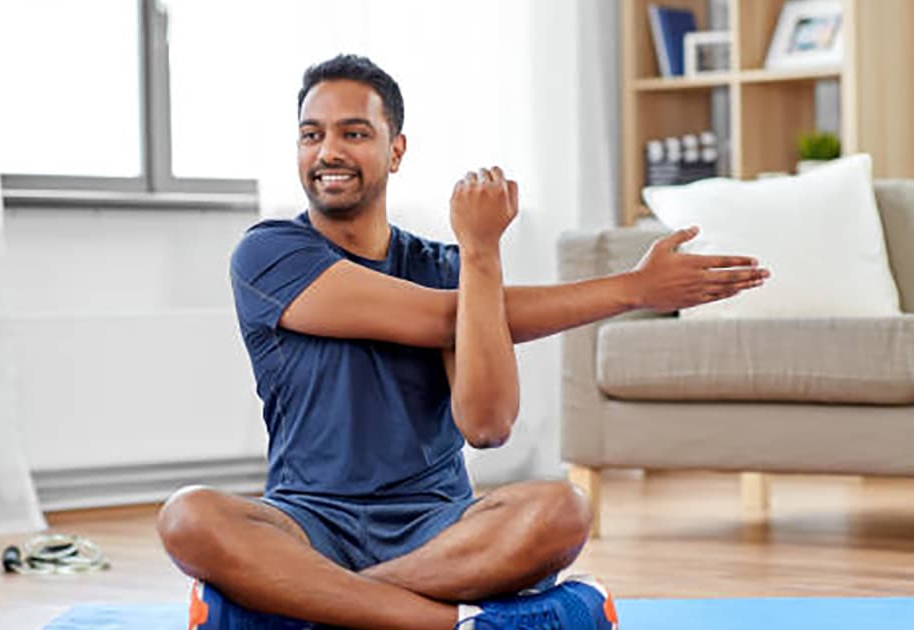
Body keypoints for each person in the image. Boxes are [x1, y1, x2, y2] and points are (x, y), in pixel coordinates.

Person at [157, 54, 768, 630]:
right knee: (189, 516)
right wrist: (630, 290)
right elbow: (439, 318)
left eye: (354, 133)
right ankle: (460, 622)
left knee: (562, 511)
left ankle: (302, 607)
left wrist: (480, 253)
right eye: (311, 134)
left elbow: (488, 425)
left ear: (395, 151)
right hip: (308, 520)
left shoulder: (454, 269)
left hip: (438, 527)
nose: (329, 151)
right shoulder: (269, 253)